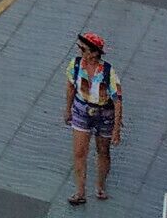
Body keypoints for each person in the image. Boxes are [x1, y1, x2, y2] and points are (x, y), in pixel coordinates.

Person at [64, 31, 122, 205]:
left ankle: (100, 185)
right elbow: (70, 87)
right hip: (81, 109)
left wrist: (116, 129)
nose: (81, 52)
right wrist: (67, 109)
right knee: (79, 152)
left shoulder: (108, 72)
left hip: (105, 114)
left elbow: (118, 101)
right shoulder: (75, 65)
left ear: (95, 52)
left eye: (84, 49)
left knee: (103, 151)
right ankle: (80, 191)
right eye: (80, 48)